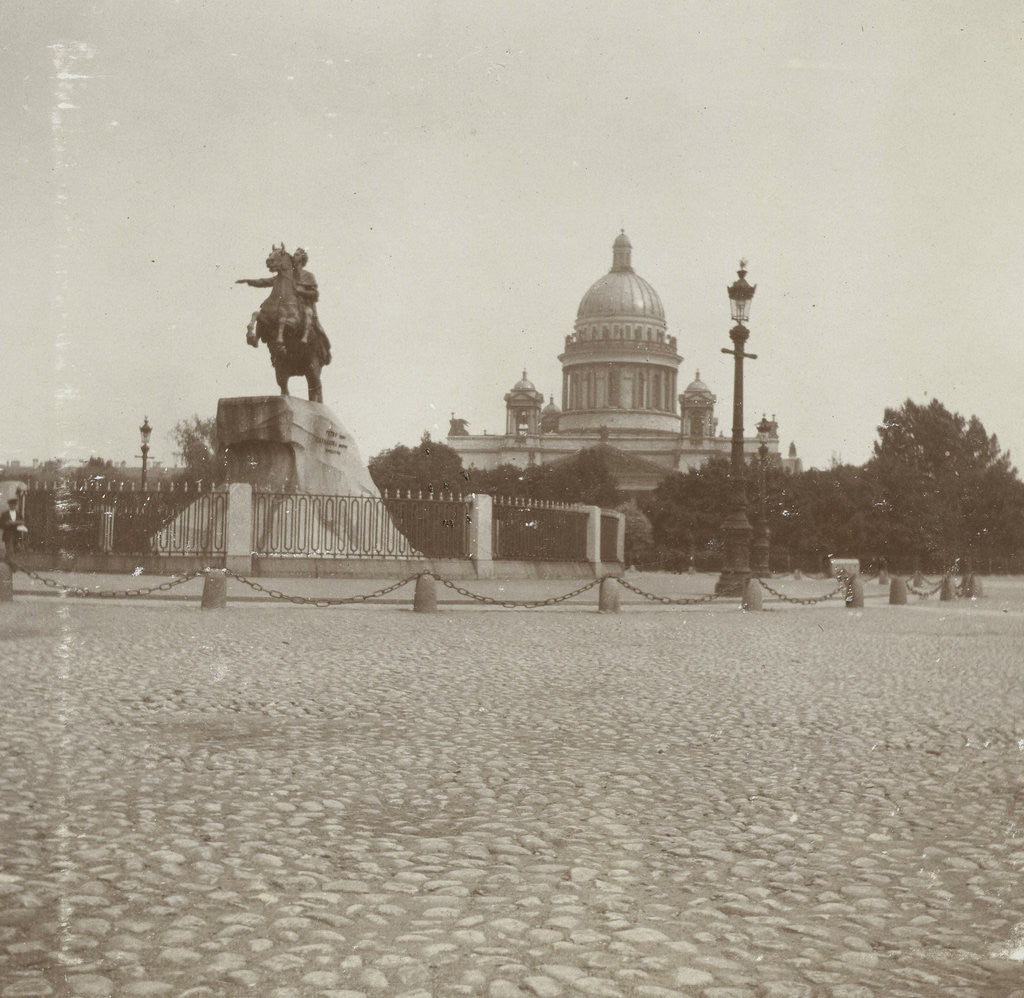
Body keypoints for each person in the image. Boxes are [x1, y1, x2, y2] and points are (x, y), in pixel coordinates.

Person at [292, 248, 331, 358]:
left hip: (304, 305)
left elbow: (315, 294)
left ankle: (310, 340)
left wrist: (301, 291)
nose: (293, 256)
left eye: (296, 255)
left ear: (301, 259)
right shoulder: (289, 276)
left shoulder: (309, 276)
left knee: (308, 313)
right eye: (294, 255)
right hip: (289, 305)